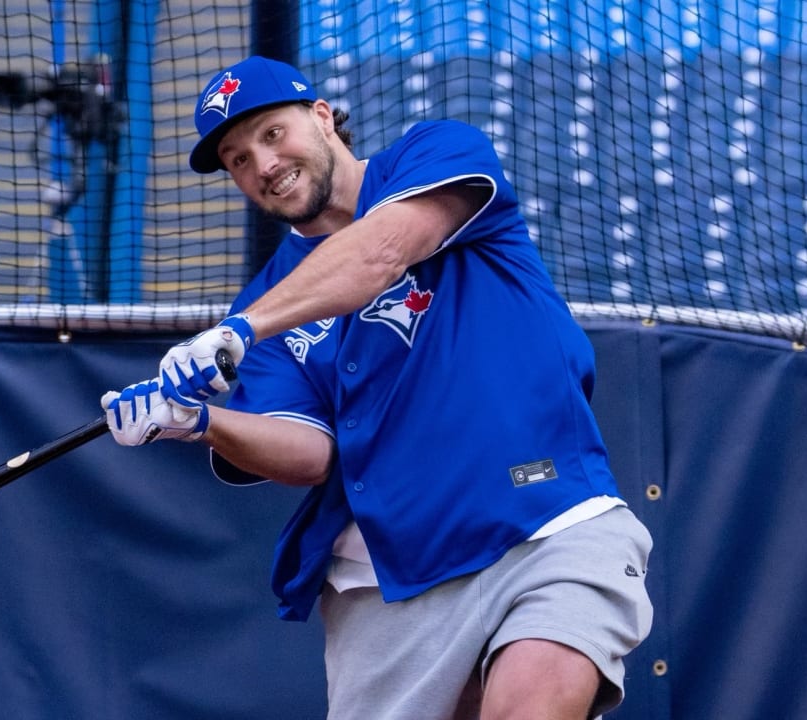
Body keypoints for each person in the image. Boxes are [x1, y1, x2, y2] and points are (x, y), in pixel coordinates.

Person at [100, 56, 653, 719]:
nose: (263, 165)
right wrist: (199, 423)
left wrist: (239, 329)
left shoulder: (437, 153)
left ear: (323, 116)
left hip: (546, 523)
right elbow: (309, 453)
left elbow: (381, 252)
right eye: (238, 158)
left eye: (273, 134)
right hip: (389, 581)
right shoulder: (268, 301)